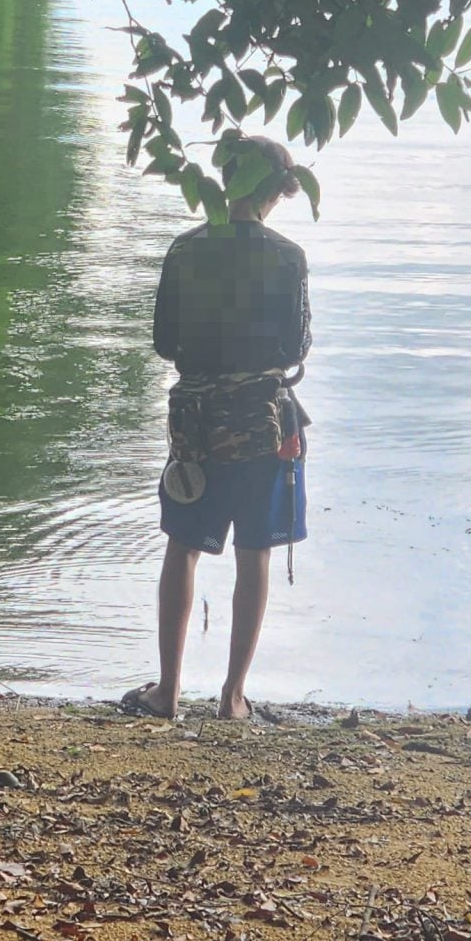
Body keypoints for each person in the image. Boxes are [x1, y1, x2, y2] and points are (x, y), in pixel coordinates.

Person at [121, 137, 312, 721]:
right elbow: (295, 346)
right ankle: (232, 698)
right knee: (255, 552)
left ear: (225, 179)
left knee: (183, 548)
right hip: (263, 422)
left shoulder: (186, 249)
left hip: (196, 424)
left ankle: (167, 691)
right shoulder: (288, 256)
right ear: (274, 191)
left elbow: (163, 341)